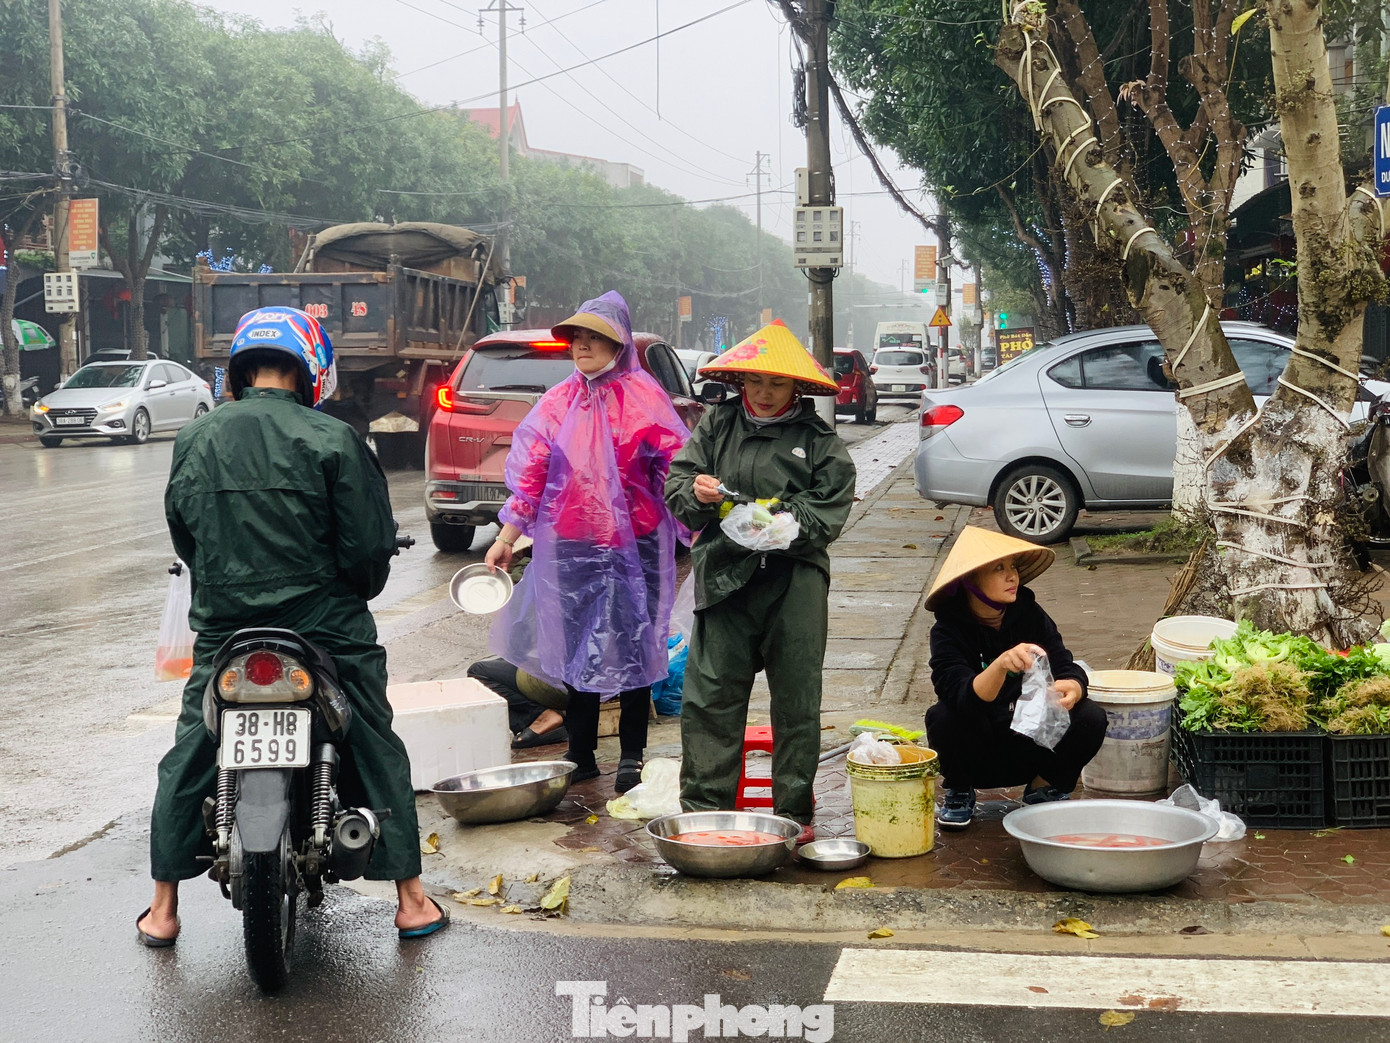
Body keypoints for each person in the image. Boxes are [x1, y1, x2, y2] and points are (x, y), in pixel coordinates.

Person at [137, 306, 447, 947]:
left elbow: (184, 536)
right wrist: (351, 592)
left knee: (194, 745)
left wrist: (224, 591)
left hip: (227, 632)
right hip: (325, 628)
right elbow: (365, 554)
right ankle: (412, 901)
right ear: (312, 371)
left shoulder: (196, 438)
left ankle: (163, 908)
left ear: (239, 371)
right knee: (372, 737)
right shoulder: (334, 439)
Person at [485, 291, 689, 793]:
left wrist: (703, 529)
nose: (582, 346)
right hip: (572, 548)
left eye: (594, 337)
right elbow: (532, 478)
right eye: (577, 338)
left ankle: (632, 757)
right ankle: (580, 753)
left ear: (618, 344)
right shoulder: (558, 404)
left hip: (637, 546)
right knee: (573, 649)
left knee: (636, 645)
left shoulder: (646, 399)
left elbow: (678, 473)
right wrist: (507, 536)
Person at [665, 320, 856, 844]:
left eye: (777, 383)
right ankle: (704, 811)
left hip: (795, 580)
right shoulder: (716, 425)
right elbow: (678, 482)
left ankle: (792, 813)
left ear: (797, 387)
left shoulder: (820, 441)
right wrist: (697, 492)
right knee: (710, 696)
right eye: (755, 382)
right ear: (741, 383)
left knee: (797, 699)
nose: (765, 393)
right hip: (724, 576)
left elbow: (829, 509)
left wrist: (782, 521)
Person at [924, 525, 1108, 830]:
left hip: (1031, 745)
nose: (1013, 576)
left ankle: (1043, 788)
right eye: (999, 568)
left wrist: (1072, 686)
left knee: (1091, 715)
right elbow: (958, 693)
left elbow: (1065, 663)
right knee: (941, 716)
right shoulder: (947, 631)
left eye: (1012, 567)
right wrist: (999, 666)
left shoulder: (1030, 614)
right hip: (978, 750)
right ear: (970, 580)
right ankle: (958, 792)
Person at [467, 656, 570, 749]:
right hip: (578, 683)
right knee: (507, 660)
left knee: (478, 671)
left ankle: (540, 717)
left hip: (563, 685)